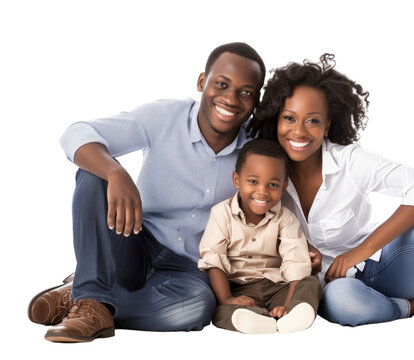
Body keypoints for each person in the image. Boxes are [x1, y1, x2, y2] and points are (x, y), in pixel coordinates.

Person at [27, 42, 269, 342]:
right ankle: (90, 298)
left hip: (190, 268)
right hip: (134, 240)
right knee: (93, 173)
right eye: (221, 84)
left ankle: (87, 297)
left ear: (256, 100)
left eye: (246, 92)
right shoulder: (165, 117)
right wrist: (115, 172)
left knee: (196, 309)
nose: (231, 99)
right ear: (201, 82)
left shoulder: (257, 149)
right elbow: (76, 133)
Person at [248, 54, 414, 326]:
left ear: (327, 125)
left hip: (386, 268)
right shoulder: (265, 174)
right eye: (289, 118)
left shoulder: (349, 160)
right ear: (276, 119)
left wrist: (359, 251)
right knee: (342, 303)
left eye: (312, 121)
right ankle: (413, 307)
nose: (299, 131)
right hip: (333, 286)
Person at [198, 139, 321, 334]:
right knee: (220, 309)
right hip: (238, 289)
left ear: (284, 186)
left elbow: (296, 262)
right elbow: (214, 260)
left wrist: (286, 305)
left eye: (273, 184)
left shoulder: (286, 219)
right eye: (253, 181)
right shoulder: (221, 213)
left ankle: (293, 313)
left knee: (310, 282)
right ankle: (252, 319)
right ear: (237, 180)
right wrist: (227, 299)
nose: (262, 192)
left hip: (278, 287)